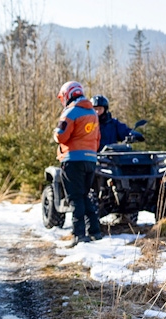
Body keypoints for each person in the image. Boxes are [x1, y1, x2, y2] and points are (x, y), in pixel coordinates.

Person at [54, 81, 102, 247]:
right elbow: (97, 139)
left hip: (72, 160)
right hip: (90, 160)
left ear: (67, 94)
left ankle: (78, 234)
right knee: (84, 195)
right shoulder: (93, 113)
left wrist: (55, 134)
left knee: (75, 198)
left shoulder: (71, 111)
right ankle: (95, 231)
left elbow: (61, 135)